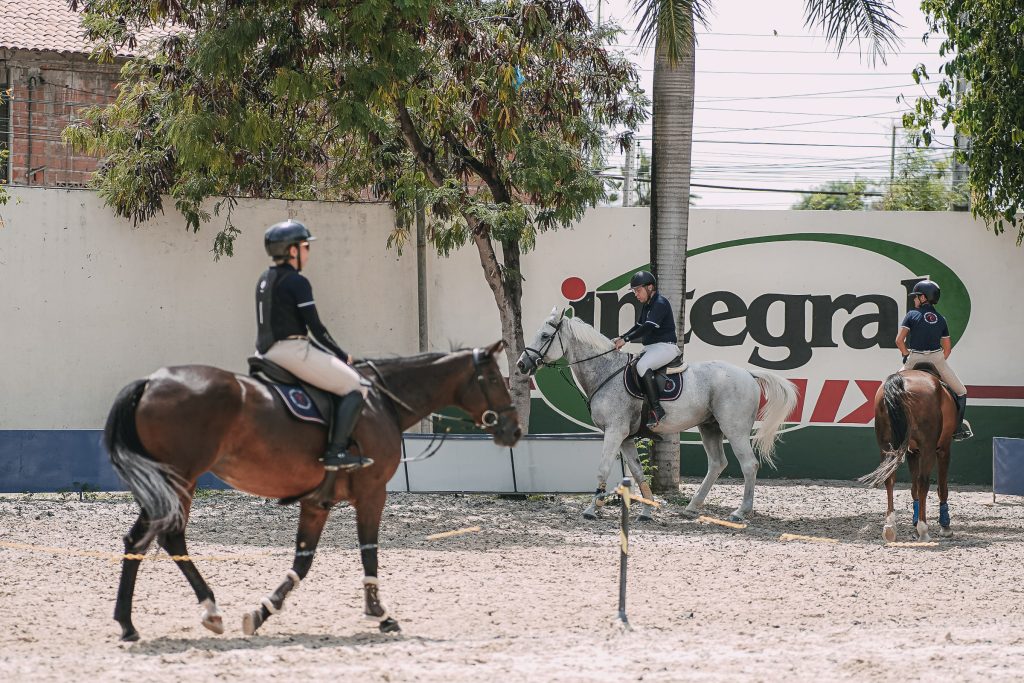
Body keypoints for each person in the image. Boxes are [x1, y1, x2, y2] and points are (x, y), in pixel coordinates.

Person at [255, 219, 373, 470]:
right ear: (293, 251)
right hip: (291, 351)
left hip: (264, 351)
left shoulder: (265, 278)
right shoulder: (297, 282)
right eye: (306, 246)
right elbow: (316, 328)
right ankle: (336, 451)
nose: (309, 252)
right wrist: (342, 355)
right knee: (357, 385)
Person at [895, 279, 971, 440]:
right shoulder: (941, 319)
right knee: (961, 391)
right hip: (937, 358)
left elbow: (899, 341)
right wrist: (938, 362)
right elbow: (947, 348)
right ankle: (957, 429)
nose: (914, 300)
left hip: (914, 358)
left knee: (891, 388)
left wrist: (905, 355)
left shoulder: (911, 315)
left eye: (916, 297)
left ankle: (893, 427)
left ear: (923, 298)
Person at [612, 270, 680, 428]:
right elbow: (639, 325)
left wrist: (626, 340)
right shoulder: (647, 305)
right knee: (631, 364)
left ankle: (657, 409)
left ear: (650, 287)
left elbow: (648, 327)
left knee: (642, 366)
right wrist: (621, 337)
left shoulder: (660, 303)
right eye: (634, 291)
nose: (636, 294)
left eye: (638, 290)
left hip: (666, 347)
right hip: (651, 348)